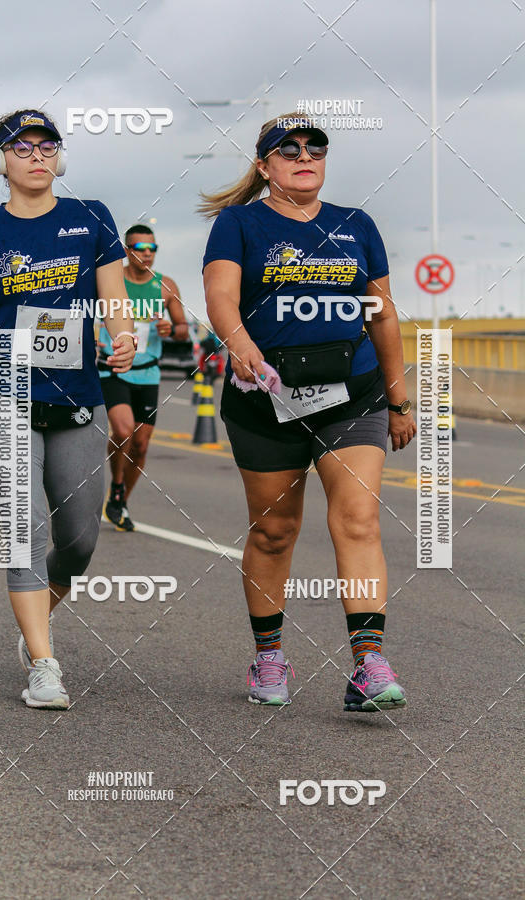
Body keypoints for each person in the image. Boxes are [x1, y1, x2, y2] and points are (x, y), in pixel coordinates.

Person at [202, 113, 416, 711]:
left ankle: (369, 664)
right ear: (265, 165)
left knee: (357, 519)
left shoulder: (356, 225)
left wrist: (400, 399)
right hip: (266, 396)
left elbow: (384, 315)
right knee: (274, 531)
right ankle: (268, 657)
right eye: (287, 148)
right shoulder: (239, 223)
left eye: (315, 147)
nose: (304, 155)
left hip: (353, 392)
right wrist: (243, 352)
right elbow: (220, 297)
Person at [0, 109, 135, 709]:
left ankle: (35, 618)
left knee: (78, 540)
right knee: (25, 527)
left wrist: (120, 336)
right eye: (21, 147)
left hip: (77, 397)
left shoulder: (89, 217)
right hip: (0, 389)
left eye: (47, 146)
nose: (36, 155)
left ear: (59, 157)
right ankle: (44, 663)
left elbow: (113, 297)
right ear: (2, 162)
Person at [98, 224, 188, 531]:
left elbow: (182, 329)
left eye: (152, 249)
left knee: (141, 445)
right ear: (127, 250)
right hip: (113, 367)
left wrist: (170, 330)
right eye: (140, 248)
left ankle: (119, 500)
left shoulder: (165, 287)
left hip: (148, 372)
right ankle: (118, 481)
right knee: (123, 430)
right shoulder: (111, 281)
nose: (147, 255)